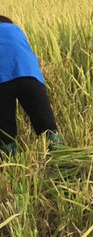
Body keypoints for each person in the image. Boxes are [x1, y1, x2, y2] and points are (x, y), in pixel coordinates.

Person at [0, 16, 63, 156]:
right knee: (46, 123)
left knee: (5, 128)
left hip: (2, 81)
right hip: (30, 75)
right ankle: (61, 157)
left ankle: (10, 162)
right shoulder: (16, 29)